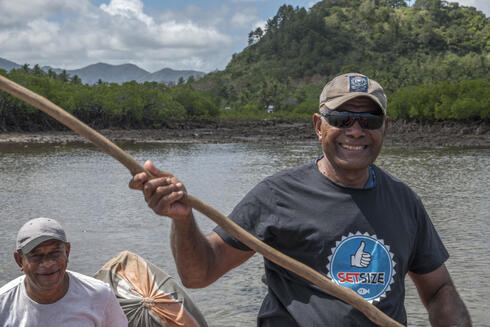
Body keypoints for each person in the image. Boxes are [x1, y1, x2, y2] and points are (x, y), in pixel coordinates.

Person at [129, 73, 471, 326]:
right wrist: (183, 220)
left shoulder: (404, 201)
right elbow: (199, 274)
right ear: (318, 126)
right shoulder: (277, 195)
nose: (355, 130)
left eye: (369, 120)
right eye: (341, 119)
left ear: (385, 128)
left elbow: (439, 289)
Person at [0, 217, 128, 327]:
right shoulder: (3, 304)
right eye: (36, 256)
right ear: (19, 260)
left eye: (55, 253)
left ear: (67, 252)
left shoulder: (100, 296)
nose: (48, 263)